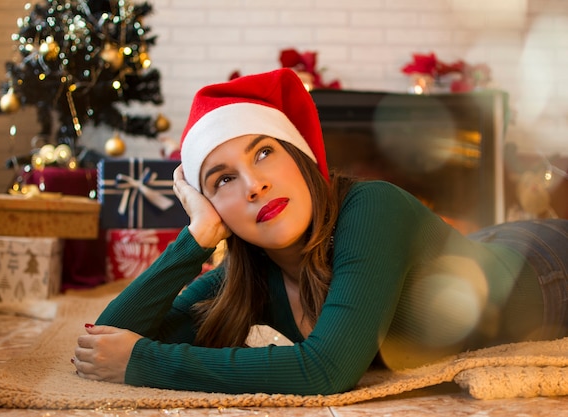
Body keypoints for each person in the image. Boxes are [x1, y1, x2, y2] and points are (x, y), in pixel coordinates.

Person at [72, 68, 568, 395]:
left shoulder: (373, 206)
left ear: (301, 158)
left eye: (264, 152)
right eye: (223, 179)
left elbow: (327, 369)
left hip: (544, 269)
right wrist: (196, 237)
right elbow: (106, 341)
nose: (255, 183)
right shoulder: (249, 275)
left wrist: (146, 363)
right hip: (473, 257)